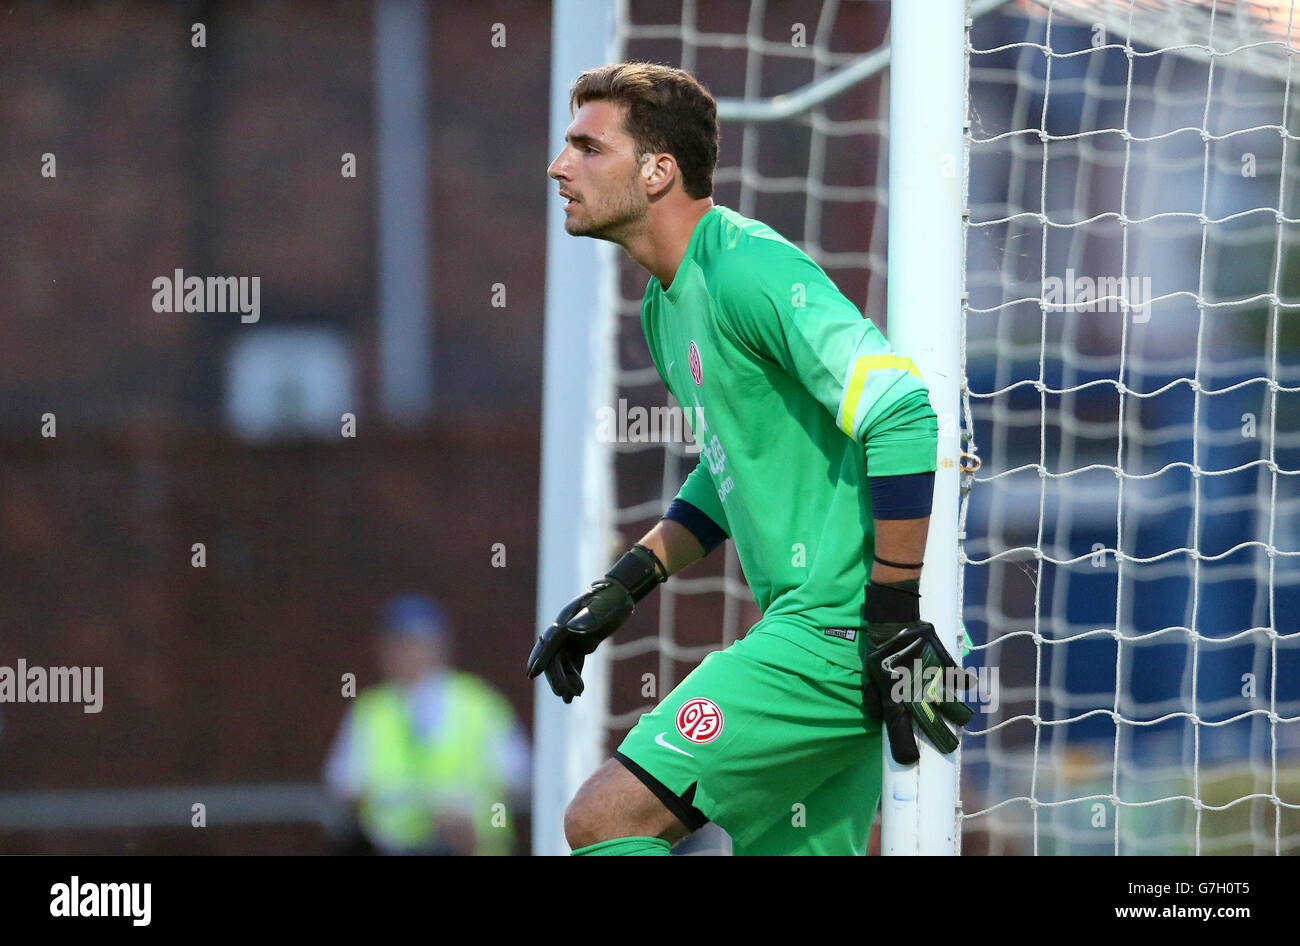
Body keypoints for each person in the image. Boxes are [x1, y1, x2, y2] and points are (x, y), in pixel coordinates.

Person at [528, 62, 972, 856]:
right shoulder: (667, 304)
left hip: (845, 637)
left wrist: (893, 619)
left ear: (658, 170)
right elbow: (732, 468)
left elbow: (901, 411)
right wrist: (623, 585)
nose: (560, 167)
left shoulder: (747, 269)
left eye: (586, 147)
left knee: (602, 821)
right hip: (847, 643)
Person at [325, 594, 530, 855]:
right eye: (400, 644)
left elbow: (518, 778)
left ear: (440, 645)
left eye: (417, 643)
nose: (409, 654)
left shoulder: (479, 704)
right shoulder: (372, 711)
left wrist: (470, 815)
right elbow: (344, 785)